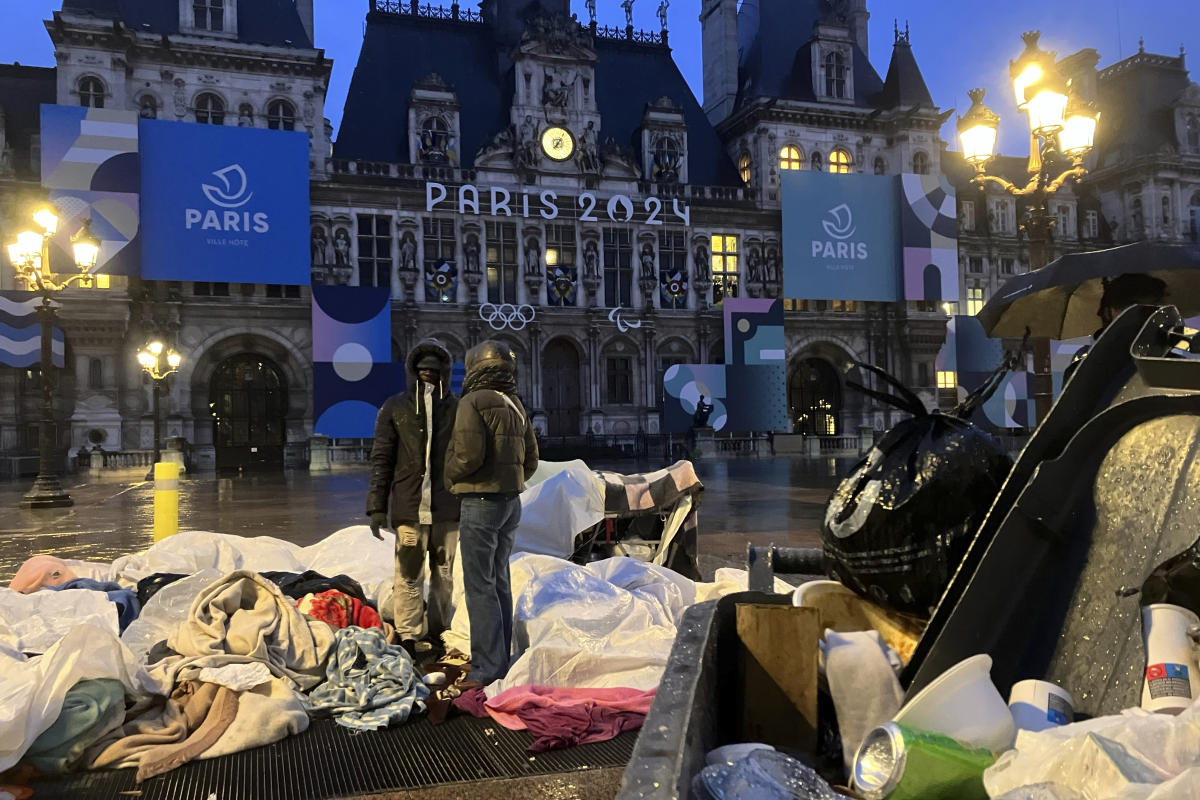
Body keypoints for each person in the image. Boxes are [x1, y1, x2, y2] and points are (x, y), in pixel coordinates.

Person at [444, 340, 539, 686]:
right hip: (510, 503)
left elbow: (467, 455)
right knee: (499, 580)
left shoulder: (472, 401)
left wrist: (449, 475)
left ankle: (486, 667)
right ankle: (502, 658)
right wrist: (509, 479)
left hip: (480, 503)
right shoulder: (515, 404)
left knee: (479, 585)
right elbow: (531, 461)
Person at [367, 339, 460, 658]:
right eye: (423, 370)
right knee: (408, 573)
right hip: (409, 509)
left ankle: (439, 630)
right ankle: (408, 633)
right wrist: (377, 507)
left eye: (434, 371)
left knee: (443, 575)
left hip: (447, 510)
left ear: (443, 373)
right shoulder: (395, 407)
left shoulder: (458, 408)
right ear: (413, 372)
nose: (428, 375)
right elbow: (382, 457)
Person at [1064, 273, 1167, 383]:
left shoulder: (1169, 350)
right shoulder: (1087, 360)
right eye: (1136, 310)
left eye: (1156, 309)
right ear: (1109, 313)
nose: (1146, 319)